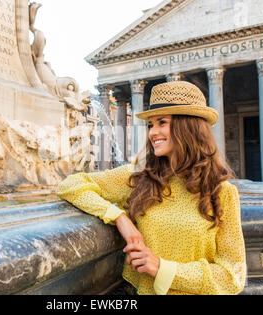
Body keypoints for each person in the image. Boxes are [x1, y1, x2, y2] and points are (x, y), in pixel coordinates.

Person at [56, 81, 247, 295]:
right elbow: (70, 185)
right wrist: (119, 217)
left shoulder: (222, 192)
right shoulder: (140, 177)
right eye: (151, 125)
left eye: (162, 123)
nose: (152, 132)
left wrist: (162, 268)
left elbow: (233, 277)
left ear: (188, 126)